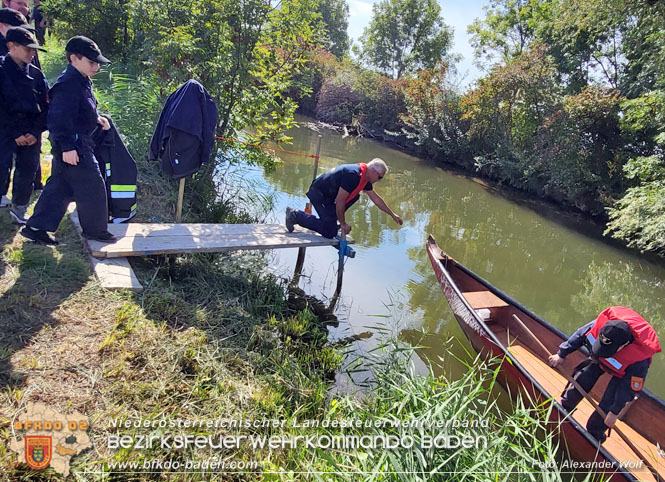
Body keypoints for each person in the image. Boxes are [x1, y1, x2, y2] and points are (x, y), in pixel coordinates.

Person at [21, 35, 116, 245]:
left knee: (60, 187)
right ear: (74, 58)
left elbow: (80, 110)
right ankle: (95, 230)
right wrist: (67, 147)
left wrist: (96, 118)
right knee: (93, 186)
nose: (96, 68)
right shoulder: (68, 84)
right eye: (91, 62)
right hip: (75, 145)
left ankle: (36, 227)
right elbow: (59, 118)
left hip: (76, 143)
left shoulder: (80, 80)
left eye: (97, 63)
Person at [548, 306, 661, 443]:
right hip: (601, 358)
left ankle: (595, 433)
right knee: (585, 375)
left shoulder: (639, 360)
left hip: (623, 372)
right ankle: (566, 407)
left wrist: (614, 413)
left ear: (622, 346)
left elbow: (627, 389)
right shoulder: (604, 325)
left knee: (609, 405)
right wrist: (561, 354)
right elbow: (580, 335)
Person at [285, 158, 403, 239]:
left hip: (330, 198)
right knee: (329, 232)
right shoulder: (353, 175)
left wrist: (392, 214)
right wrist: (343, 223)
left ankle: (330, 221)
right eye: (380, 177)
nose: (379, 180)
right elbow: (340, 201)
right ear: (372, 170)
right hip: (319, 194)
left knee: (355, 196)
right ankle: (295, 215)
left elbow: (376, 199)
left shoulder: (364, 179)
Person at [0, 26, 48, 224]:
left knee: (28, 170)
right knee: (2, 166)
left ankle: (19, 209)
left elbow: (46, 106)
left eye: (33, 49)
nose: (32, 53)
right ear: (11, 46)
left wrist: (35, 132)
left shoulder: (36, 75)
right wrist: (15, 133)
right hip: (5, 129)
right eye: (27, 48)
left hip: (31, 130)